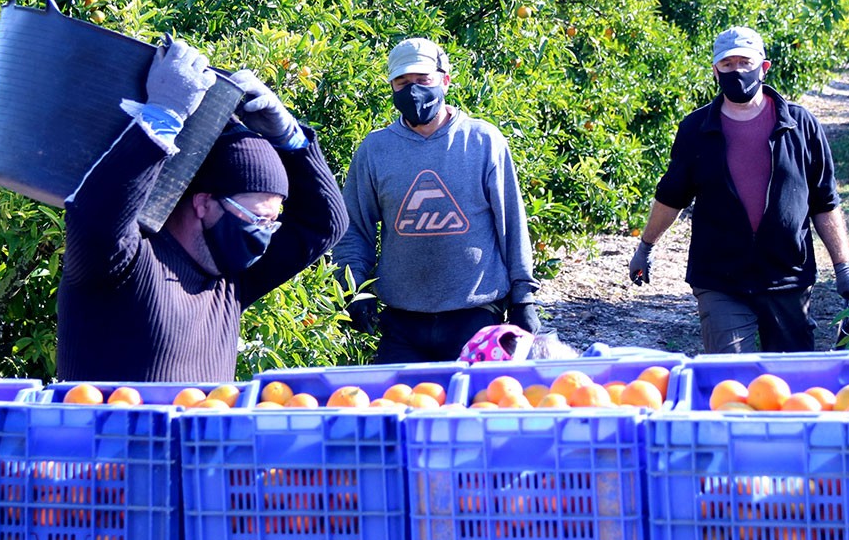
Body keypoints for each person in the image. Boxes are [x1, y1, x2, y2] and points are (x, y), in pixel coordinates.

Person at [56, 39, 348, 381]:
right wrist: (164, 116)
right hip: (110, 435)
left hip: (202, 436)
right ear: (204, 202)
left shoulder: (233, 280)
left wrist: (291, 139)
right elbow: (95, 219)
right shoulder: (123, 264)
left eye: (271, 223)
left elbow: (326, 224)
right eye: (257, 219)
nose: (263, 235)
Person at [628, 25, 849, 353]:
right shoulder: (696, 130)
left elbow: (824, 202)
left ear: (763, 67)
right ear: (715, 71)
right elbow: (671, 196)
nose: (737, 71)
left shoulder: (800, 126)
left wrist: (844, 268)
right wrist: (646, 246)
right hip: (719, 276)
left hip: (787, 273)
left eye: (745, 62)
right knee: (729, 376)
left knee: (791, 382)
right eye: (727, 65)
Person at [333, 37, 540, 364]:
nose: (412, 90)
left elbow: (511, 224)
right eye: (402, 82)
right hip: (401, 321)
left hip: (474, 314)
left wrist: (523, 298)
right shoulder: (375, 151)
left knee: (474, 408)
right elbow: (352, 227)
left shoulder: (482, 141)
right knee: (397, 409)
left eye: (422, 80)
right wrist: (355, 289)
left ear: (445, 79)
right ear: (391, 86)